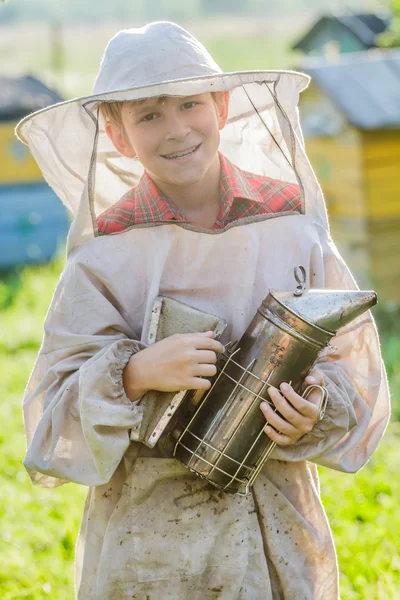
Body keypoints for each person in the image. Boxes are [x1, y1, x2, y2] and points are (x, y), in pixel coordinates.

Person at [17, 22, 389, 600]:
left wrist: (312, 410)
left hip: (276, 521)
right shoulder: (106, 253)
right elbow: (50, 415)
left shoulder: (291, 228)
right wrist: (134, 374)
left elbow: (353, 364)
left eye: (190, 103)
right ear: (116, 133)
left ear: (221, 105)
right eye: (149, 115)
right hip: (150, 533)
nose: (176, 129)